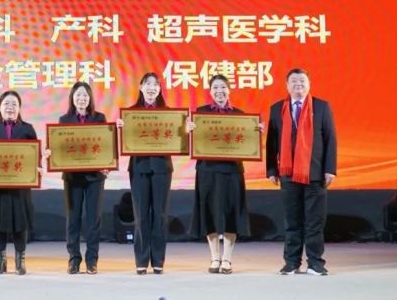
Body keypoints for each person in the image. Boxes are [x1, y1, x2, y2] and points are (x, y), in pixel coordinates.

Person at [266, 68, 337, 276]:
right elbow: (271, 142)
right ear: (287, 85)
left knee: (315, 222)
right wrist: (272, 169)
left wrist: (330, 169)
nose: (299, 84)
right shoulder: (277, 108)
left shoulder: (322, 107)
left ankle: (315, 263)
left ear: (309, 84)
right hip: (288, 175)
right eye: (294, 81)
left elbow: (330, 139)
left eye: (302, 81)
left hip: (315, 174)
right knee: (292, 222)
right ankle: (291, 262)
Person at [186, 74, 259, 275]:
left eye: (223, 87)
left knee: (230, 213)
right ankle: (214, 257)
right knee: (208, 213)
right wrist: (188, 130)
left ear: (229, 90)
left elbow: (246, 143)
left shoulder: (240, 115)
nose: (220, 91)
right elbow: (192, 141)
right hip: (207, 170)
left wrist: (255, 132)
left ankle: (227, 258)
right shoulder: (201, 113)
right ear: (210, 91)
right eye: (215, 88)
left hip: (232, 170)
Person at [116, 72, 173, 275]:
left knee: (160, 215)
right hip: (139, 167)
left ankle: (158, 260)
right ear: (141, 87)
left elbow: (176, 139)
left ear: (159, 89)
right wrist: (120, 129)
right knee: (140, 215)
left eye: (155, 84)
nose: (151, 88)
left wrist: (185, 129)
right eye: (147, 84)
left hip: (162, 168)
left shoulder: (170, 114)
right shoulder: (130, 114)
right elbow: (123, 141)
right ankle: (141, 260)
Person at [0, 91, 37, 275]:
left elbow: (34, 156)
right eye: (6, 103)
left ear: (19, 108)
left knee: (20, 222)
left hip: (20, 186)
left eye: (14, 104)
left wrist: (39, 166)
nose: (10, 107)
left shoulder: (27, 129)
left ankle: (20, 261)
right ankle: (1, 261)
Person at [60, 82, 107, 275]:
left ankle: (92, 260)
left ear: (90, 98)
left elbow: (105, 144)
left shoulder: (99, 118)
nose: (82, 99)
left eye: (85, 95)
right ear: (72, 98)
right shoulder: (64, 120)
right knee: (73, 219)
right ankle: (74, 259)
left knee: (93, 219)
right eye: (78, 95)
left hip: (95, 176)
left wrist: (108, 163)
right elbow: (60, 146)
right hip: (72, 177)